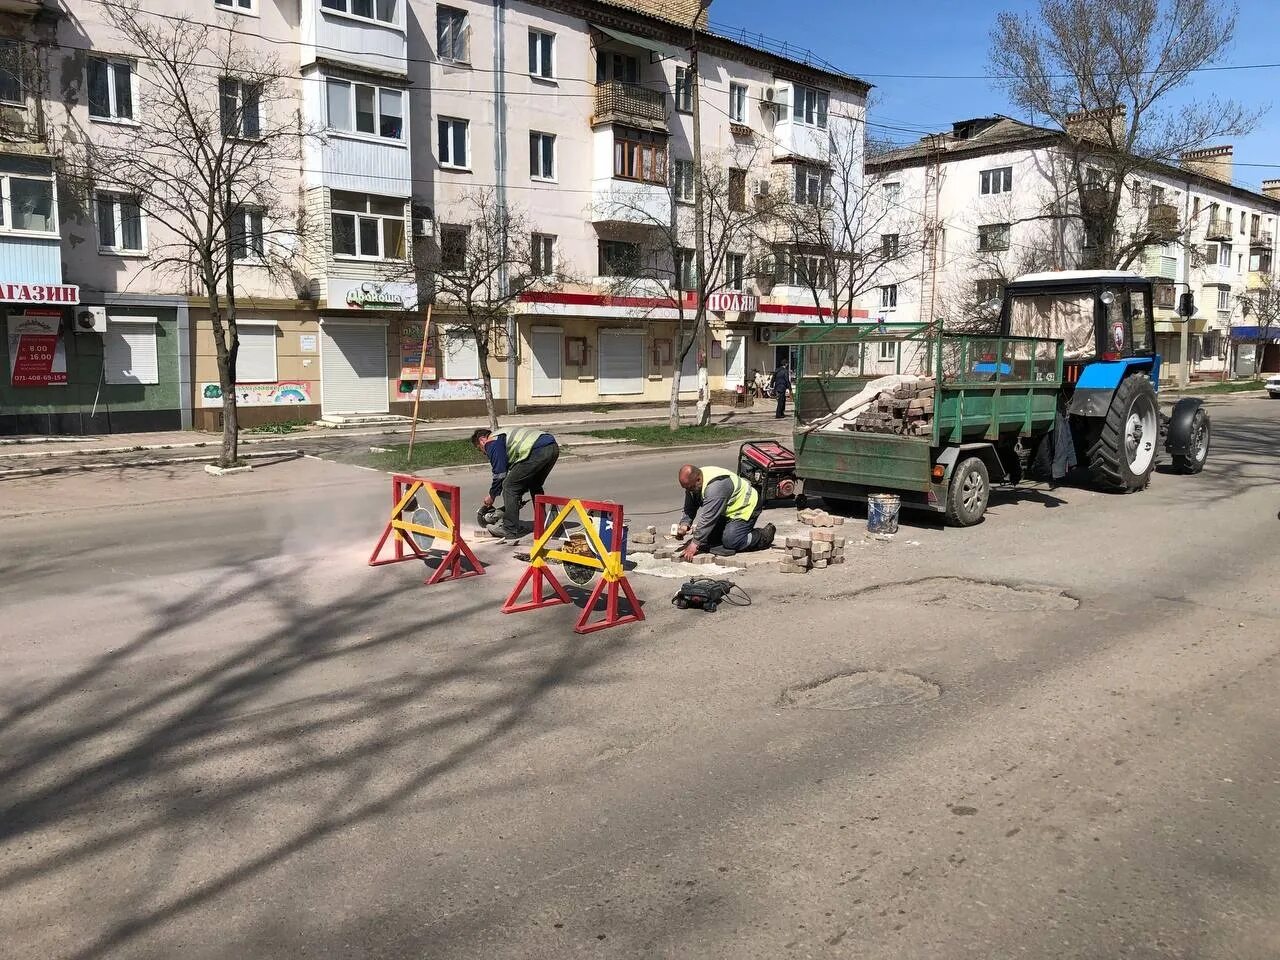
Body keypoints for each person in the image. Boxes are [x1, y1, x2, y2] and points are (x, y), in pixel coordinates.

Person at [471, 426, 559, 541]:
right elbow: (514, 472)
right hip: (552, 447)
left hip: (537, 450)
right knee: (534, 485)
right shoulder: (503, 436)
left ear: (482, 440)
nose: (484, 453)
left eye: (480, 449)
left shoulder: (491, 441)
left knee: (509, 486)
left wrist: (492, 495)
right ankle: (541, 524)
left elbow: (500, 473)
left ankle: (509, 529)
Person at [675, 464, 776, 561]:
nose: (689, 491)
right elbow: (690, 506)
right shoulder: (693, 482)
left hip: (746, 507)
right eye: (686, 488)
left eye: (690, 488)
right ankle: (733, 531)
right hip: (727, 510)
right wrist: (685, 524)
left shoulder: (716, 487)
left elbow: (709, 518)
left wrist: (694, 544)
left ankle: (762, 536)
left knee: (731, 541)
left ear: (698, 479)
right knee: (708, 538)